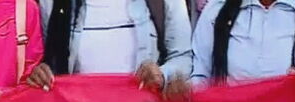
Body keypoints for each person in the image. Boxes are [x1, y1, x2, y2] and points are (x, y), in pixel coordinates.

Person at [30, 0, 193, 92]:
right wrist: (39, 73)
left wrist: (162, 75)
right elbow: (44, 61)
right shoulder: (51, 3)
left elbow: (183, 57)